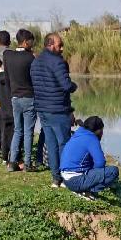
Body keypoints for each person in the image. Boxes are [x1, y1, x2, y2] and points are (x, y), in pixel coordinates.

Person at [31, 32, 77, 187]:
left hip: (43, 109)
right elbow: (66, 85)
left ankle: (56, 178)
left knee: (51, 143)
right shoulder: (57, 62)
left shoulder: (36, 62)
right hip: (58, 109)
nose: (62, 48)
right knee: (64, 143)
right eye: (60, 45)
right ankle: (66, 177)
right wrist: (73, 85)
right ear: (50, 44)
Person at [60, 116, 119, 198]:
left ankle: (83, 188)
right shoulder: (92, 138)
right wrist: (95, 173)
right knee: (113, 171)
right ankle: (85, 191)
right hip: (75, 181)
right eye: (102, 130)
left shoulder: (78, 133)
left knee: (94, 167)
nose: (102, 133)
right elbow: (100, 163)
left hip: (65, 178)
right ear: (98, 130)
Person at [4, 29, 37, 172]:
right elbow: (35, 79)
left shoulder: (8, 56)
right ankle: (27, 163)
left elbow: (6, 77)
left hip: (15, 97)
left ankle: (12, 162)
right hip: (29, 97)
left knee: (18, 130)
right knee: (28, 131)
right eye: (31, 41)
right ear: (25, 42)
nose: (32, 44)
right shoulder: (30, 58)